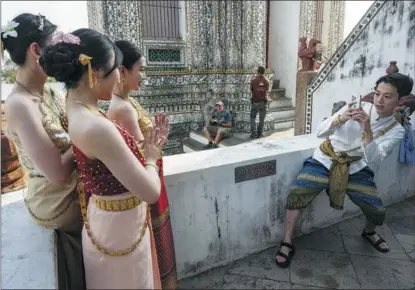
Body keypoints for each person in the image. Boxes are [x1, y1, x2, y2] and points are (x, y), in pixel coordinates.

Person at [40, 28, 163, 289]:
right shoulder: (96, 126)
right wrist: (151, 157)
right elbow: (151, 191)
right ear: (95, 72)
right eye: (117, 68)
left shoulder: (77, 109)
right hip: (118, 229)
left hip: (110, 220)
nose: (119, 75)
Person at [274, 73, 414, 269]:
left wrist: (367, 128)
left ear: (402, 100)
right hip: (325, 158)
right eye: (377, 94)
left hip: (356, 167)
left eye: (387, 97)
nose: (379, 101)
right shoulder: (356, 107)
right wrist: (341, 118)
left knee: (376, 209)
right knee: (298, 194)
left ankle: (369, 232)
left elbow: (374, 159)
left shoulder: (395, 130)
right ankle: (287, 241)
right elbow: (320, 132)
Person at [2, 13, 85, 289]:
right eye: (55, 45)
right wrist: (89, 138)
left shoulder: (49, 92)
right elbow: (58, 173)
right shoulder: (20, 104)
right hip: (58, 203)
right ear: (36, 50)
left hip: (78, 191)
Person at [106, 40, 178, 290]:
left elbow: (147, 147)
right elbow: (141, 159)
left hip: (153, 176)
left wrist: (159, 139)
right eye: (140, 69)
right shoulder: (122, 109)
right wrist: (156, 146)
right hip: (147, 185)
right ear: (122, 71)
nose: (144, 76)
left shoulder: (128, 102)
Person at [250, 66, 269, 139]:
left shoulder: (253, 80)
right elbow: (267, 90)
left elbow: (252, 89)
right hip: (262, 102)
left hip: (255, 101)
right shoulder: (266, 80)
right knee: (262, 118)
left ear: (257, 71)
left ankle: (253, 133)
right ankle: (260, 133)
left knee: (252, 117)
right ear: (264, 72)